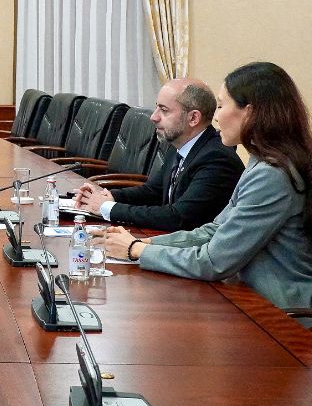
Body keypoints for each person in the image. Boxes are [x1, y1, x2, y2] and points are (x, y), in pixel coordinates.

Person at [94, 62, 312, 323]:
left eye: (220, 105)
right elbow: (213, 231)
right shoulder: (262, 163)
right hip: (248, 299)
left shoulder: (271, 175)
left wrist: (135, 250)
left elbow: (213, 261)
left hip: (280, 317)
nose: (216, 117)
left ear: (249, 112)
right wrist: (148, 243)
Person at [75, 79, 244, 231]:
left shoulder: (217, 159)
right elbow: (153, 191)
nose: (153, 117)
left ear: (193, 118)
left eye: (164, 110)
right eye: (156, 107)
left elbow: (178, 218)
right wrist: (110, 196)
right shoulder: (180, 144)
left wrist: (107, 208)